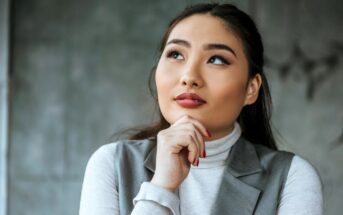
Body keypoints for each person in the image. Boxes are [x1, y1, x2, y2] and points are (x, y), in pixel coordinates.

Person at [79, 3, 323, 215]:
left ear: (251, 88)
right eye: (176, 54)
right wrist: (161, 187)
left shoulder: (291, 177)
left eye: (216, 59)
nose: (189, 77)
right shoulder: (111, 163)